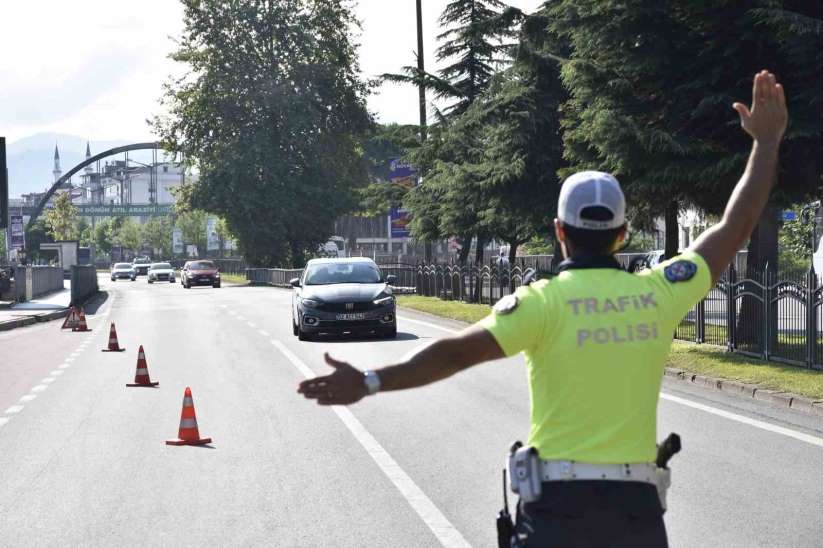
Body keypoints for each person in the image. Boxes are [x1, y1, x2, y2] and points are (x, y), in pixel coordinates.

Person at [297, 70, 788, 546]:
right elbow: (735, 225)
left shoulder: (539, 304)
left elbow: (452, 353)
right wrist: (765, 145)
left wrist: (369, 381)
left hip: (557, 512)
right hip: (635, 516)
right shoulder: (659, 294)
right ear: (621, 234)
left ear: (559, 230)